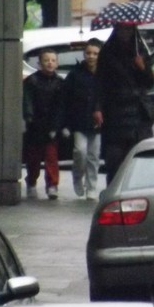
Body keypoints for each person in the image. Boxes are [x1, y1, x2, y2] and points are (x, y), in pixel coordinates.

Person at [93, 24, 154, 184]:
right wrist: (98, 107)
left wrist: (142, 67)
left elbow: (149, 82)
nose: (125, 33)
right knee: (115, 159)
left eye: (128, 29)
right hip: (116, 111)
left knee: (139, 157)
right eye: (122, 29)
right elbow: (100, 82)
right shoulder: (108, 52)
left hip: (138, 112)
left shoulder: (140, 51)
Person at [62, 38, 102, 200]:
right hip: (79, 120)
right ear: (84, 54)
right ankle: (78, 176)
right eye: (88, 53)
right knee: (80, 151)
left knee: (94, 155)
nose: (91, 56)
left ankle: (91, 186)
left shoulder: (104, 74)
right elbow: (65, 98)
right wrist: (65, 123)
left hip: (97, 122)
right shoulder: (75, 74)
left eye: (95, 53)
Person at [22, 47, 64, 199]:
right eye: (46, 60)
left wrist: (58, 125)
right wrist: (29, 117)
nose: (50, 63)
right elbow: (27, 101)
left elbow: (62, 105)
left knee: (51, 156)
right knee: (33, 157)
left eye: (53, 60)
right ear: (39, 63)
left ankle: (52, 184)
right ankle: (31, 181)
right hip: (35, 125)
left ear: (57, 63)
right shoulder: (32, 81)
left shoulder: (60, 83)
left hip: (52, 125)